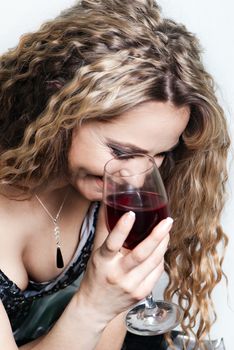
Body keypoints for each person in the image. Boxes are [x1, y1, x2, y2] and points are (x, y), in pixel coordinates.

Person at [0, 0, 230, 349]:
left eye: (159, 155)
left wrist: (110, 301)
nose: (137, 178)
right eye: (121, 152)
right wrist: (93, 305)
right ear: (58, 109)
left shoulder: (112, 195)